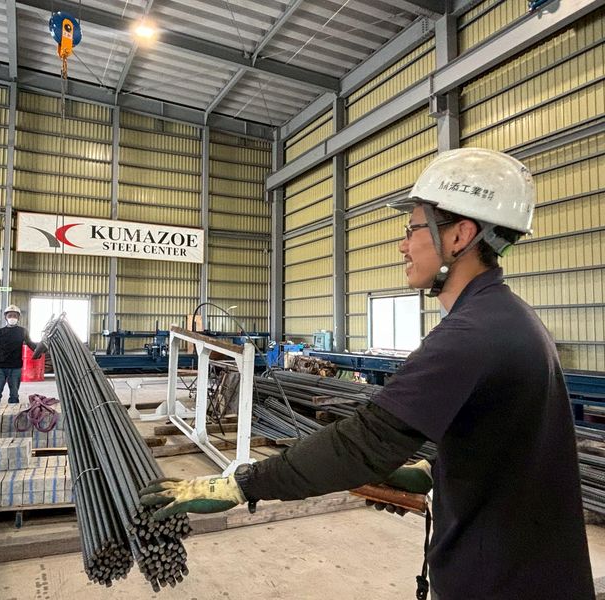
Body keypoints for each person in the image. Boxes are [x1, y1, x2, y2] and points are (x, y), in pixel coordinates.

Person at [140, 148, 595, 599]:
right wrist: (431, 471)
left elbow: (362, 442)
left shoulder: (472, 333)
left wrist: (240, 484)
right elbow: (504, 443)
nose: (403, 244)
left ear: (460, 235)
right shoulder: (508, 317)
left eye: (413, 229)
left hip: (500, 584)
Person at [0, 305, 36, 404]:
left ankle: (13, 413)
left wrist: (42, 348)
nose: (12, 318)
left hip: (15, 368)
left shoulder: (22, 331)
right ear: (5, 317)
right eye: (10, 315)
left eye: (15, 316)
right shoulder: (0, 332)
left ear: (18, 317)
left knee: (14, 395)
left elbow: (31, 344)